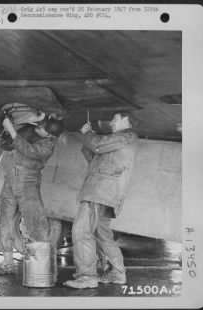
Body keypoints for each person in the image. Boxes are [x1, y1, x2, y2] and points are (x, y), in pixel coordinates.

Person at [64, 112, 138, 289]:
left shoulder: (125, 136)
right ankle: (117, 273)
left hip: (99, 193)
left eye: (115, 118)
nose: (111, 121)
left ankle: (87, 277)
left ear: (126, 120)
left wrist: (88, 133)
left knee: (81, 231)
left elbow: (97, 146)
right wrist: (89, 140)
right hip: (105, 194)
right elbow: (95, 159)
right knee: (101, 234)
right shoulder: (119, 141)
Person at [0, 116, 64, 275]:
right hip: (11, 178)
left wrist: (12, 130)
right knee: (5, 220)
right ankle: (7, 262)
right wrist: (8, 129)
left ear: (50, 134)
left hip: (28, 182)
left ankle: (41, 268)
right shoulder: (31, 135)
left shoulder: (48, 145)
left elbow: (29, 151)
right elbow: (7, 144)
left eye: (42, 127)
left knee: (35, 222)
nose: (38, 127)